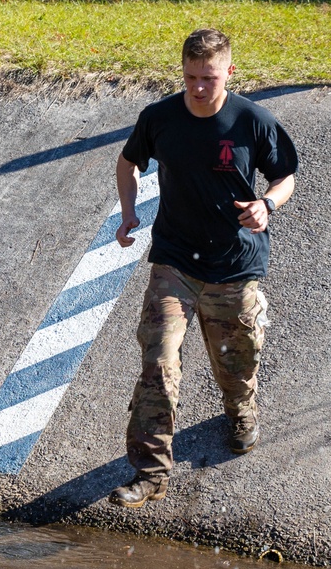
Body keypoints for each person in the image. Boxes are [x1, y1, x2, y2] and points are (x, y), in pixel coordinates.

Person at [108, 28, 298, 508]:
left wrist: (267, 204)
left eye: (208, 78)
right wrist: (129, 210)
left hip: (234, 265)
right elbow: (127, 162)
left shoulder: (252, 121)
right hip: (174, 260)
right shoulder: (160, 118)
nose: (197, 88)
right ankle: (150, 474)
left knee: (236, 363)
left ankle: (239, 411)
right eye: (190, 76)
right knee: (157, 362)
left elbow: (284, 175)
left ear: (228, 72)